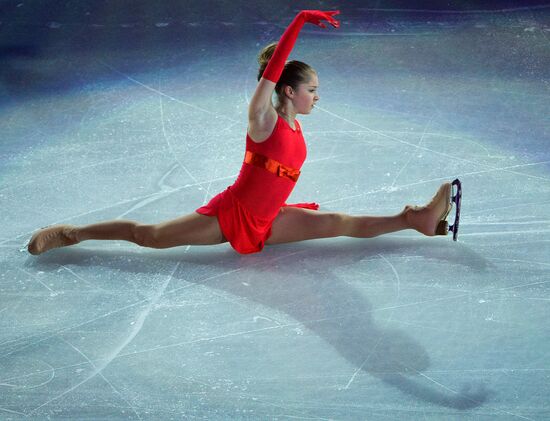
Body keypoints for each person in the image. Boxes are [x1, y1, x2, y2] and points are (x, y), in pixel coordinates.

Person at [28, 10, 454, 257]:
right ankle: (73, 233)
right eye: (312, 90)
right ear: (288, 90)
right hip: (232, 215)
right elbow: (270, 74)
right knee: (149, 236)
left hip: (271, 218)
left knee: (341, 222)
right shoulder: (263, 119)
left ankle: (414, 219)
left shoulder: (294, 124)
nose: (317, 97)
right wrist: (301, 20)